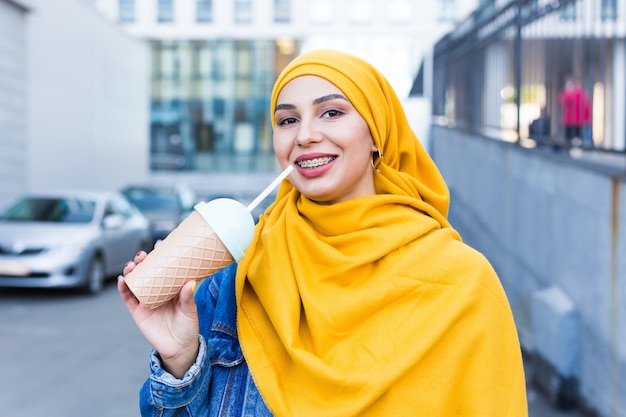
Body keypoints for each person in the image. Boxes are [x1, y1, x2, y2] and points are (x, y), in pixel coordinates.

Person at [119, 49, 528, 416]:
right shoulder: (231, 279)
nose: (305, 135)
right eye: (288, 119)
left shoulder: (463, 283)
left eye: (331, 112)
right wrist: (179, 360)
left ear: (376, 133)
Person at [558, 75, 591, 147]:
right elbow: (561, 101)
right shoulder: (574, 93)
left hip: (576, 121)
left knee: (574, 139)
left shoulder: (577, 93)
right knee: (571, 140)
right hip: (570, 121)